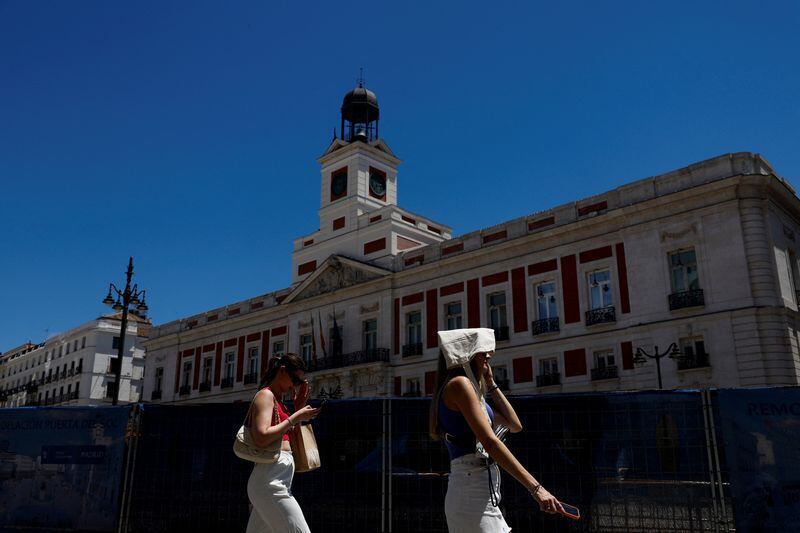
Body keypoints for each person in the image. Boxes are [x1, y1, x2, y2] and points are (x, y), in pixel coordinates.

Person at [430, 328, 563, 532]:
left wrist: (491, 384)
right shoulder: (459, 385)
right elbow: (490, 442)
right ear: (468, 354)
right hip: (471, 490)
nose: (489, 356)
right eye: (483, 352)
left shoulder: (471, 392)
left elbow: (514, 425)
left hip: (478, 489)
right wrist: (537, 488)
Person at [245, 353, 320, 533]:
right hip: (270, 483)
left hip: (275, 481)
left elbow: (293, 443)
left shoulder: (281, 403)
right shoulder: (265, 396)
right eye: (295, 380)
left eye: (299, 382)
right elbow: (261, 436)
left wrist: (298, 407)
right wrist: (295, 417)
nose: (295, 385)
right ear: (282, 371)